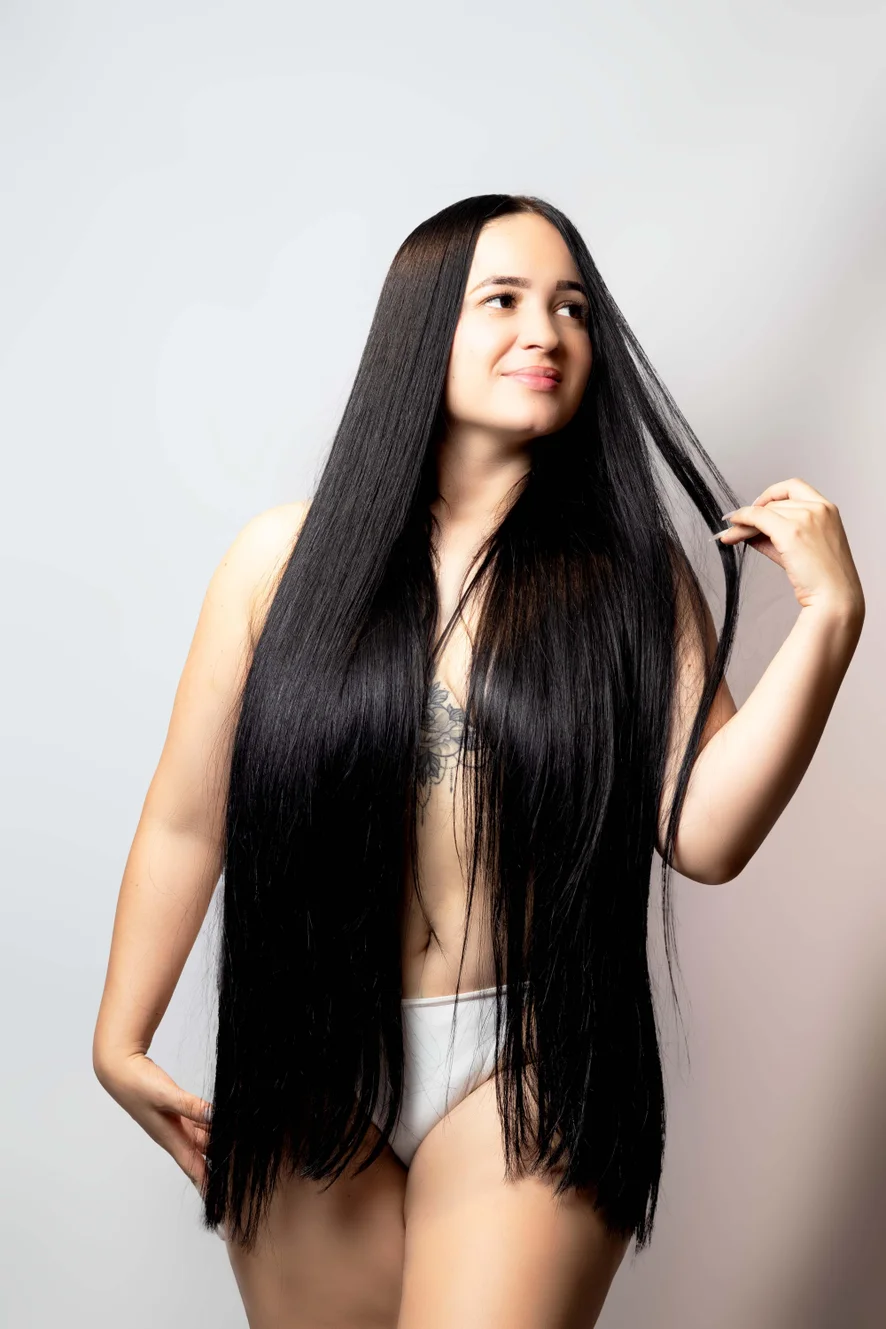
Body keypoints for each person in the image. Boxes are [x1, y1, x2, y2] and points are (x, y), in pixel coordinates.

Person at [93, 193, 865, 1328]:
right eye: (501, 299)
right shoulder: (276, 566)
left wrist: (831, 622)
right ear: (422, 330)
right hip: (311, 1061)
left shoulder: (631, 579)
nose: (545, 331)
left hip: (527, 1064)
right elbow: (186, 819)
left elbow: (704, 834)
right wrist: (120, 1038)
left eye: (572, 308)